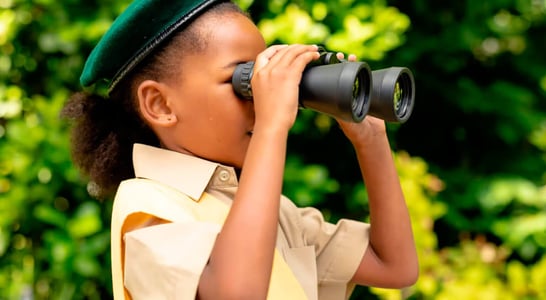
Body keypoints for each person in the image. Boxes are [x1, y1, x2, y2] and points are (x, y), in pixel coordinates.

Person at [62, 0, 419, 299]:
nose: (261, 100)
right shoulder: (146, 206)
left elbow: (394, 266)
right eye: (244, 81)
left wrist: (370, 140)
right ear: (160, 105)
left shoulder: (270, 212)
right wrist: (270, 126)